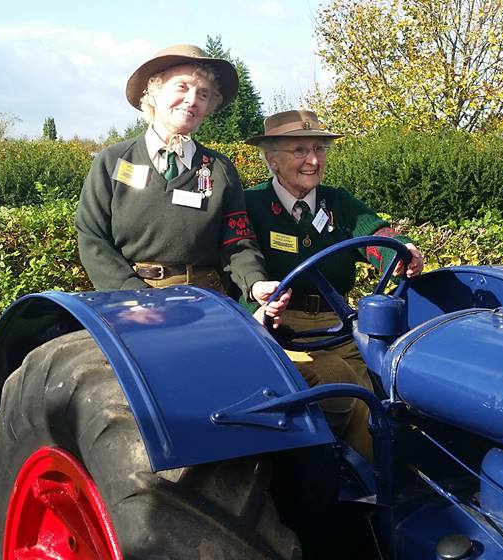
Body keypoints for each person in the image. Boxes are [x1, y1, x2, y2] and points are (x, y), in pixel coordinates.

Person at [243, 109, 425, 460]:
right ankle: (350, 485)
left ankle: (388, 481)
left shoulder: (337, 202)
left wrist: (401, 251)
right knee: (349, 392)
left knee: (394, 385)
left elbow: (375, 233)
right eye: (299, 150)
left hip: (341, 327)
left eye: (319, 149)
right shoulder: (250, 205)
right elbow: (237, 260)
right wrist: (259, 306)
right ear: (272, 159)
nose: (313, 160)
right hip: (278, 329)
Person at [75, 44, 287, 314]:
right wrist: (134, 296)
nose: (192, 100)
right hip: (130, 304)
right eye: (182, 87)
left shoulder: (220, 169)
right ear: (153, 91)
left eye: (203, 94)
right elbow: (93, 239)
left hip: (206, 305)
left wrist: (255, 283)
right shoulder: (113, 161)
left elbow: (238, 243)